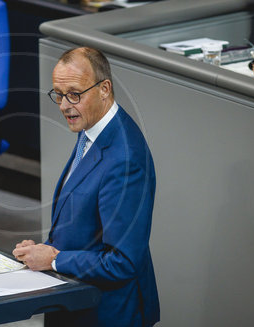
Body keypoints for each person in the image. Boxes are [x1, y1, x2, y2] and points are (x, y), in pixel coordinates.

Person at [13, 47, 160, 326]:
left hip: (107, 313)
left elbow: (123, 261)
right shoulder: (92, 130)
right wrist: (41, 250)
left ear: (104, 89)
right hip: (76, 301)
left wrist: (54, 259)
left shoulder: (125, 160)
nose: (65, 105)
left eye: (75, 94)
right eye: (58, 93)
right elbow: (84, 220)